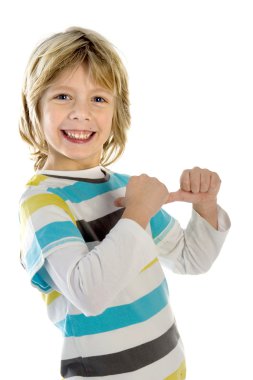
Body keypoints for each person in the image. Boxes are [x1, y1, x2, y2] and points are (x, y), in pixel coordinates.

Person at [19, 26, 230, 380]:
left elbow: (191, 259)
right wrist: (137, 213)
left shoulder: (124, 188)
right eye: (63, 97)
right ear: (34, 107)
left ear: (116, 115)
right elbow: (90, 294)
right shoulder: (42, 202)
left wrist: (205, 205)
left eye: (98, 99)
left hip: (170, 369)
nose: (81, 113)